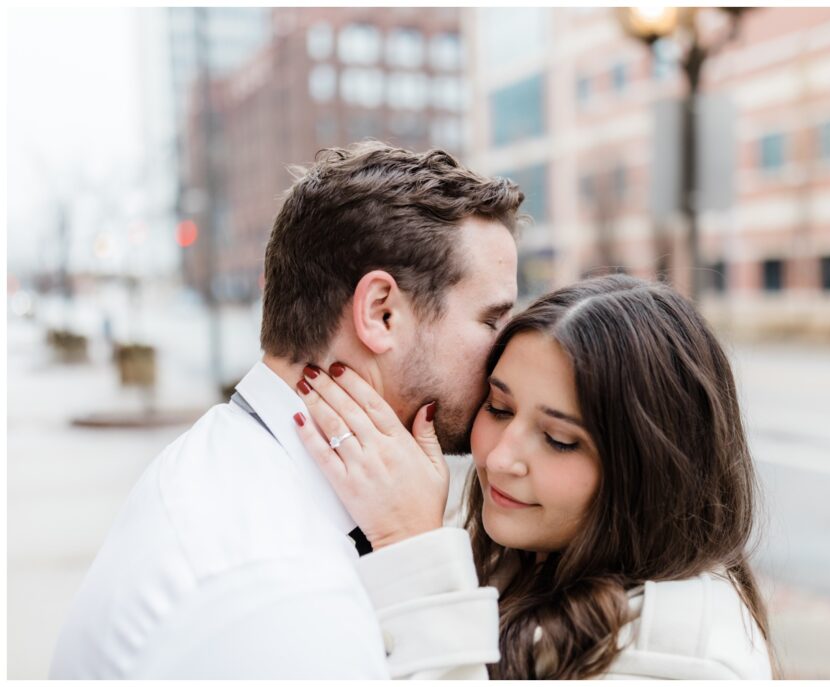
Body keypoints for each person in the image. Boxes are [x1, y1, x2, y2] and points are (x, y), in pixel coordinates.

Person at [49, 142, 523, 679]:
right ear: (381, 313)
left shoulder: (235, 464)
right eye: (491, 321)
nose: (507, 353)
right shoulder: (284, 587)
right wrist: (422, 558)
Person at [293, 274, 777, 679]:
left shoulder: (688, 658)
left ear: (653, 467)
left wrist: (411, 547)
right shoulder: (508, 549)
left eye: (560, 439)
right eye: (499, 408)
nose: (501, 459)